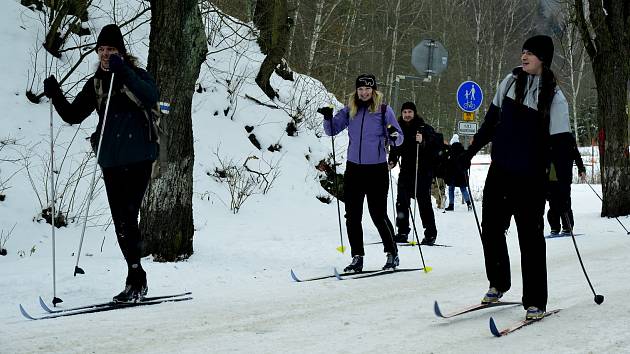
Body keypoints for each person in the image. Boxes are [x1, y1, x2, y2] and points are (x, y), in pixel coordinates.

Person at [457, 35, 570, 320]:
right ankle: (499, 282)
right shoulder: (509, 82)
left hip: (532, 179)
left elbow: (561, 149)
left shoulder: (555, 98)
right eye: (523, 51)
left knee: (530, 239)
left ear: (543, 58)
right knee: (492, 229)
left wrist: (561, 192)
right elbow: (490, 123)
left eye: (530, 53)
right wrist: (468, 153)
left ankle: (535, 301)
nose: (524, 56)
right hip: (501, 172)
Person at [43, 24, 159, 302]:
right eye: (102, 49)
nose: (105, 54)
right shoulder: (96, 82)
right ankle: (137, 277)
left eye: (111, 49)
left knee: (128, 218)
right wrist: (56, 94)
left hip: (140, 156)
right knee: (121, 222)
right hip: (111, 161)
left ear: (121, 51)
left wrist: (124, 71)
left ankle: (135, 280)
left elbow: (150, 96)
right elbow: (72, 115)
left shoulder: (135, 75)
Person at [319, 74, 403, 272]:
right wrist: (327, 117)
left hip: (376, 170)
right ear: (356, 91)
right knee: (353, 216)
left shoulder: (384, 110)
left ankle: (392, 253)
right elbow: (332, 130)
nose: (364, 92)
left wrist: (393, 135)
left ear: (374, 90)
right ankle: (357, 257)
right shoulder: (350, 110)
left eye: (367, 89)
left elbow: (399, 139)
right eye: (360, 89)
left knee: (378, 214)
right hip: (354, 169)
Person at [388, 102, 439, 245]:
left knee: (424, 203)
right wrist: (392, 161)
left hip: (422, 171)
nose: (407, 115)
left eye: (410, 112)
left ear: (414, 113)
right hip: (405, 171)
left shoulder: (423, 128)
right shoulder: (398, 128)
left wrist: (423, 141)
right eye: (405, 112)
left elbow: (435, 144)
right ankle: (402, 231)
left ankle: (430, 234)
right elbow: (395, 148)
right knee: (401, 202)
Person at [547, 134, 586, 236]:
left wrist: (581, 169)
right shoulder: (548, 135)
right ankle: (555, 227)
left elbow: (575, 154)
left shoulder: (568, 137)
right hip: (551, 174)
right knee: (553, 201)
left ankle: (567, 227)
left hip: (564, 173)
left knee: (565, 200)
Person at [444, 134, 471, 211]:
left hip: (452, 174)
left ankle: (451, 205)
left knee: (451, 189)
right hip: (461, 173)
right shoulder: (463, 150)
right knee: (463, 189)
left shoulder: (450, 151)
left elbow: (447, 163)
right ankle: (469, 204)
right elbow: (467, 162)